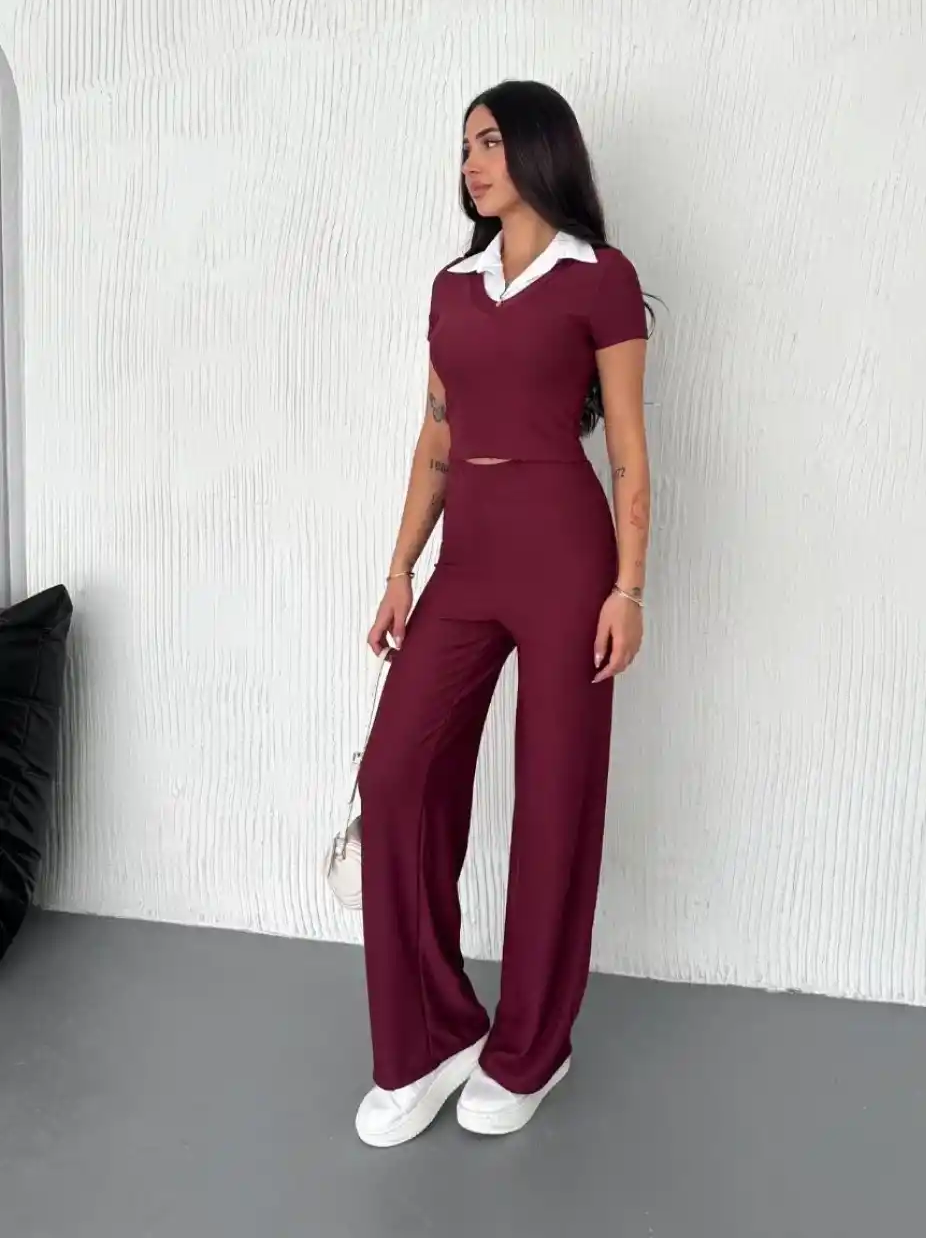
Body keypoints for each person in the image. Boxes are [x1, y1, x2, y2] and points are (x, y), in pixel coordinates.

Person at [353, 80, 652, 1147]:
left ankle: (531, 1048)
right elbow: (435, 437)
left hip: (567, 555)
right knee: (395, 773)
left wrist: (628, 586)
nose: (472, 163)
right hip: (468, 560)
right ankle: (432, 1034)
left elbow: (627, 449)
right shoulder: (453, 287)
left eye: (489, 142)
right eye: (465, 146)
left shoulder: (600, 278)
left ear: (537, 149)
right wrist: (401, 568)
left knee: (554, 798)